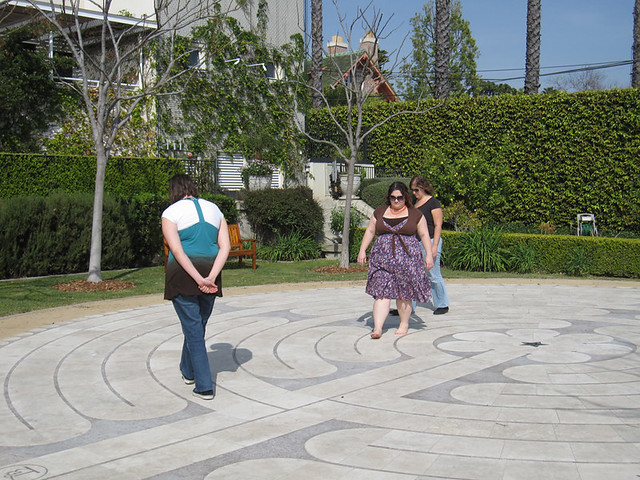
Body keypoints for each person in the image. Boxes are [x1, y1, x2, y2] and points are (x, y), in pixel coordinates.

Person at [162, 174, 230, 400]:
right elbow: (225, 247)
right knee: (196, 327)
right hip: (211, 273)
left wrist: (198, 279)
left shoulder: (170, 213)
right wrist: (210, 276)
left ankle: (204, 386)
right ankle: (187, 370)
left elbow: (177, 251)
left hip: (183, 276)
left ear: (174, 190)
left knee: (194, 330)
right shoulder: (215, 209)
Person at [357, 181, 434, 339]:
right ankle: (377, 328)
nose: (396, 200)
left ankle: (404, 323)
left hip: (407, 261)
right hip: (381, 261)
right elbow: (371, 231)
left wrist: (428, 254)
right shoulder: (379, 212)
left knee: (403, 294)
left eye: (400, 197)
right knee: (381, 293)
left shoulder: (415, 214)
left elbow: (425, 235)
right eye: (393, 197)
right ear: (389, 197)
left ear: (405, 197)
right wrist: (362, 250)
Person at [410, 175, 450, 315]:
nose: (414, 193)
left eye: (416, 190)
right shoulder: (415, 204)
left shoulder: (433, 203)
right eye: (412, 190)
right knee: (413, 275)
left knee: (433, 274)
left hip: (431, 241)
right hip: (416, 241)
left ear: (422, 187)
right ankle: (408, 307)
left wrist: (434, 247)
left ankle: (442, 304)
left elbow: (438, 225)